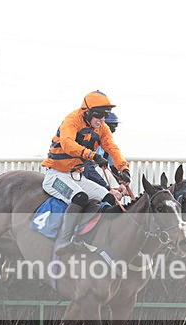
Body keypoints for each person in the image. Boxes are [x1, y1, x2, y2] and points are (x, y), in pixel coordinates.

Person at [42, 90, 131, 256]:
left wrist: (123, 169)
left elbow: (112, 148)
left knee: (109, 198)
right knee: (80, 197)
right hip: (56, 175)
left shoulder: (102, 128)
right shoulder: (72, 120)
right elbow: (67, 144)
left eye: (105, 116)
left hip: (77, 176)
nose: (102, 121)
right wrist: (93, 155)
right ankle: (65, 241)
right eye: (100, 116)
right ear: (88, 112)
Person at [82, 111, 120, 189]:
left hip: (96, 171)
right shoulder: (87, 140)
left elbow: (113, 166)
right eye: (112, 127)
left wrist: (121, 182)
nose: (114, 130)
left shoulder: (108, 144)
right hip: (84, 172)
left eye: (116, 127)